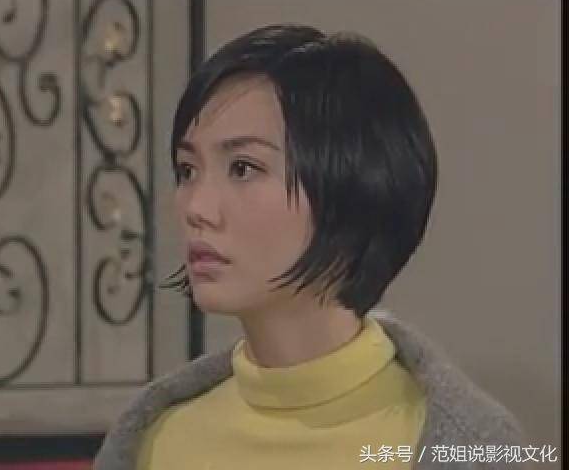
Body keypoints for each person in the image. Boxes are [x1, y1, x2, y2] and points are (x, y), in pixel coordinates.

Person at [94, 24, 528, 470]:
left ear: (351, 189)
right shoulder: (151, 440)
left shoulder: (473, 447)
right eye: (187, 170)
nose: (196, 207)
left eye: (242, 168)